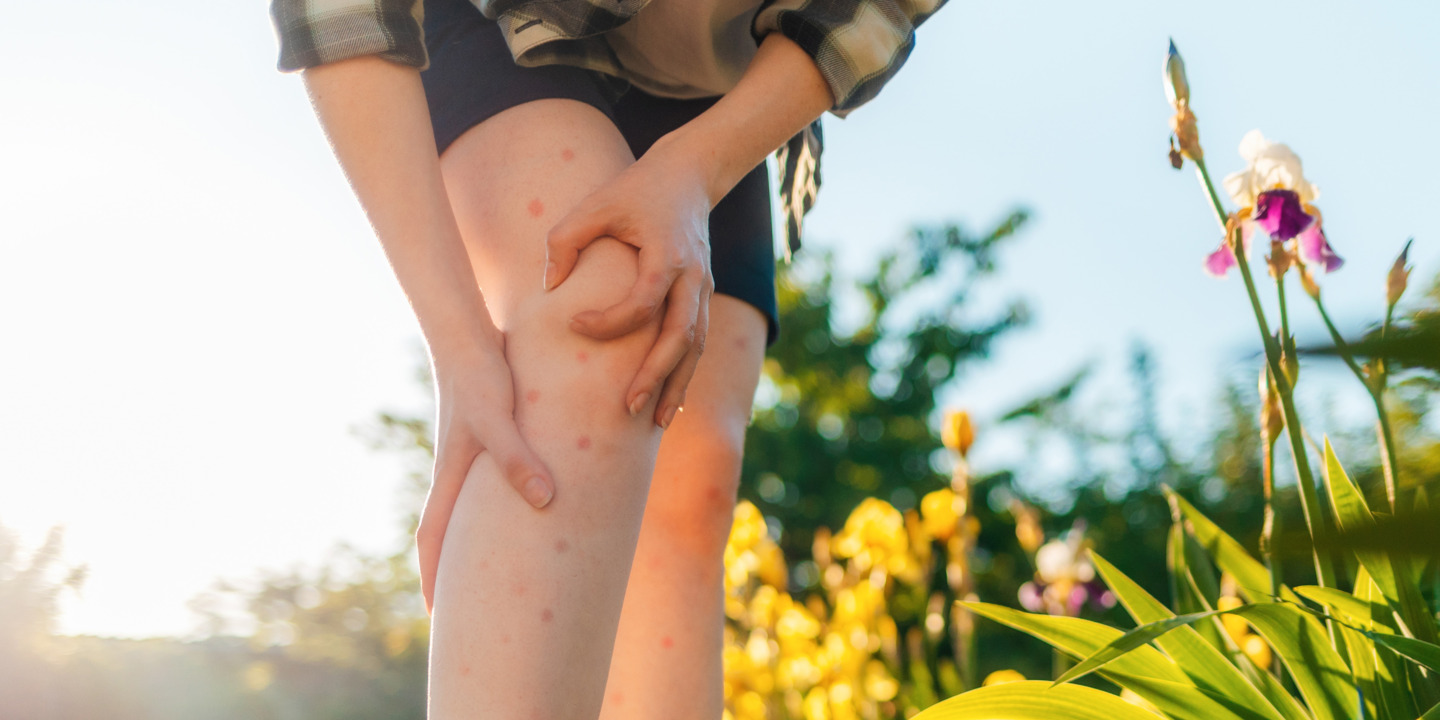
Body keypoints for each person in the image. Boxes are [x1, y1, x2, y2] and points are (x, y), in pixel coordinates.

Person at [267, 0, 946, 716]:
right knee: (603, 311)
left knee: (696, 472)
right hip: (493, 20)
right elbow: (336, 15)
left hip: (714, 71)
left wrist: (695, 167)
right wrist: (460, 347)